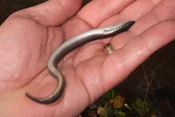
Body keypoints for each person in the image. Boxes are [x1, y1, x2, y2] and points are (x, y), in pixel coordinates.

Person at [0, 0, 174, 116]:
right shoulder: (118, 27)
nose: (124, 25)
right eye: (125, 26)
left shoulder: (115, 28)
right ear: (122, 26)